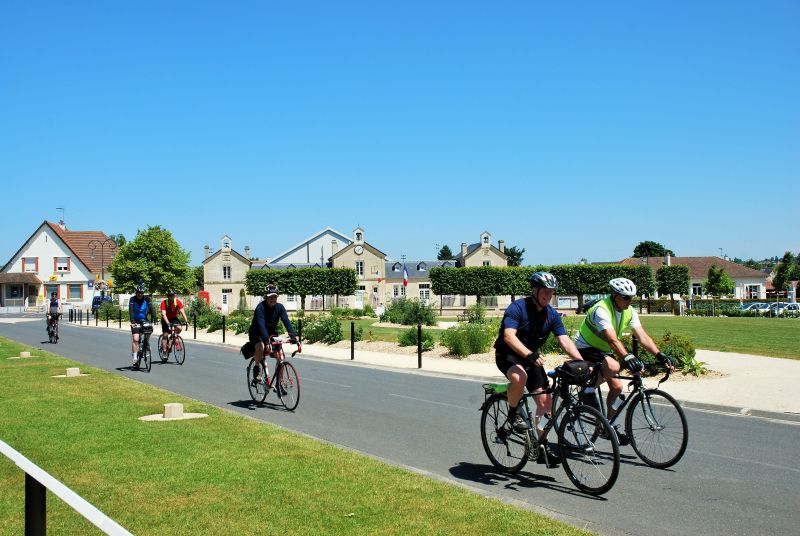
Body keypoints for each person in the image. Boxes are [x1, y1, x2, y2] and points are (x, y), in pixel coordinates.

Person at [494, 271, 585, 466]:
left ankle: (541, 444)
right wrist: (529, 354)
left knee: (545, 403)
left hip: (531, 358)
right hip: (507, 354)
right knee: (519, 378)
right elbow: (509, 336)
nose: (547, 296)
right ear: (534, 290)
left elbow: (564, 340)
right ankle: (512, 414)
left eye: (551, 293)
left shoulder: (551, 314)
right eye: (544, 292)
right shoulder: (517, 308)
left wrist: (581, 361)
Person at [575, 277, 674, 444]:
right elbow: (613, 340)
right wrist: (628, 357)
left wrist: (659, 354)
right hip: (586, 347)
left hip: (604, 349)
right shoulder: (601, 309)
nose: (630, 301)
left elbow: (642, 336)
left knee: (617, 387)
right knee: (613, 366)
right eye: (626, 297)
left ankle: (607, 426)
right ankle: (588, 390)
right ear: (615, 295)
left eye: (632, 297)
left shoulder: (630, 310)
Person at [248, 285, 298, 386]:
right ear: (266, 297)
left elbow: (286, 322)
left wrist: (293, 336)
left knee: (280, 356)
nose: (273, 299)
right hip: (256, 333)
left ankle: (279, 382)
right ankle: (256, 367)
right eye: (270, 297)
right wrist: (267, 341)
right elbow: (261, 326)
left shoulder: (280, 307)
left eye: (275, 297)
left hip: (270, 333)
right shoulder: (260, 308)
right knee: (260, 347)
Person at [129, 284, 155, 366]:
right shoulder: (132, 299)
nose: (140, 294)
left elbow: (151, 308)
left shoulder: (147, 298)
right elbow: (131, 310)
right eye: (138, 293)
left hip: (144, 320)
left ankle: (146, 342)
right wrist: (132, 321)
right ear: (136, 293)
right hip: (135, 321)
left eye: (141, 293)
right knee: (136, 339)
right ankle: (135, 357)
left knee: (150, 329)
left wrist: (155, 318)